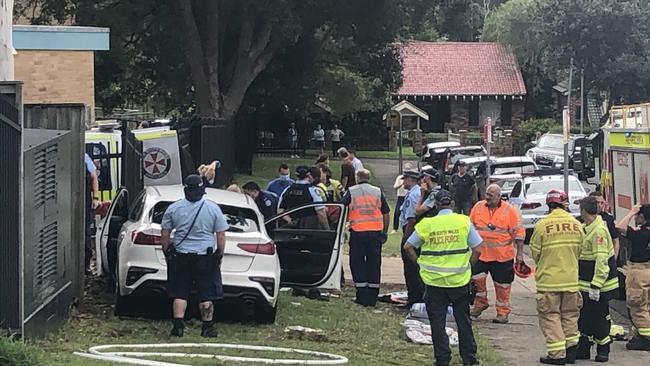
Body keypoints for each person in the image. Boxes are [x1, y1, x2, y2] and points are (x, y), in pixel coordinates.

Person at [404, 190, 482, 366]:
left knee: (437, 322)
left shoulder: (427, 224)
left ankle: (442, 359)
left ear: (436, 205)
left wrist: (420, 265)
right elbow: (478, 249)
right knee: (463, 320)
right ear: (452, 204)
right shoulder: (464, 221)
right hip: (459, 281)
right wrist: (467, 266)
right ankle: (469, 358)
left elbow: (408, 246)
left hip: (434, 282)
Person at [161, 175, 228, 338]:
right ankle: (207, 327)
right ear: (202, 191)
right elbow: (221, 235)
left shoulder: (174, 208)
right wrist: (219, 254)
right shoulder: (213, 209)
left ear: (185, 190)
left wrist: (167, 250)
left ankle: (178, 326)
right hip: (204, 258)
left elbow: (165, 233)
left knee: (179, 292)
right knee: (206, 294)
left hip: (181, 256)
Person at [530, 189, 584, 364]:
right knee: (570, 316)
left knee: (551, 317)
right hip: (571, 280)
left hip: (549, 282)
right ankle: (571, 352)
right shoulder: (576, 224)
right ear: (565, 204)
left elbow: (535, 253)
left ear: (549, 205)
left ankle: (557, 354)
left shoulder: (541, 225)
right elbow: (580, 250)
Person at [469, 184, 525, 324]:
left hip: (502, 257)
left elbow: (518, 233)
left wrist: (519, 255)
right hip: (480, 255)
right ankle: (480, 304)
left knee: (503, 286)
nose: (487, 198)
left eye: (491, 196)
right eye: (487, 194)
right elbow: (469, 227)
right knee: (476, 280)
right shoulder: (478, 207)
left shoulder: (509, 211)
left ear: (499, 196)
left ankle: (502, 313)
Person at [576, 196, 618, 362]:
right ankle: (584, 348)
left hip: (598, 285)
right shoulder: (586, 227)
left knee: (599, 317)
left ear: (584, 210)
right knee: (584, 317)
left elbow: (601, 260)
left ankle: (603, 349)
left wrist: (596, 284)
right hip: (586, 284)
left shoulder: (599, 230)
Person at [342, 169, 390, 306]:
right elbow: (386, 213)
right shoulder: (377, 191)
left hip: (358, 232)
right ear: (368, 178)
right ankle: (373, 296)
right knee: (374, 263)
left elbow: (341, 206)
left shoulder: (352, 191)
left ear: (357, 178)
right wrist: (384, 232)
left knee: (357, 263)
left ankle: (362, 294)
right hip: (375, 233)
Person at [616, 204, 650, 351]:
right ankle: (640, 335)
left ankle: (646, 338)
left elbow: (620, 227)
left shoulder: (641, 233)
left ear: (642, 217)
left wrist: (631, 212)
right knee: (647, 305)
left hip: (639, 272)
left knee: (638, 307)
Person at [399, 170, 424, 307]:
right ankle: (414, 297)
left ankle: (414, 299)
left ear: (411, 179)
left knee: (411, 269)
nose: (403, 182)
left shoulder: (414, 194)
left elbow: (411, 219)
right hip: (413, 232)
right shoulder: (414, 193)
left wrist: (406, 238)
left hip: (411, 232)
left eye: (405, 179)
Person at [278, 165, 329, 230]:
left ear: (296, 175)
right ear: (309, 175)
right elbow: (321, 214)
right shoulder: (313, 191)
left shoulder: (287, 190)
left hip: (291, 231)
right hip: (309, 230)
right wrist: (328, 230)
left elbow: (280, 211)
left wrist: (289, 219)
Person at [589, 191, 620, 258]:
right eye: (597, 202)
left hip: (605, 258)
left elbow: (615, 241)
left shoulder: (608, 219)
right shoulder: (582, 219)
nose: (600, 205)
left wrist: (614, 260)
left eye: (602, 203)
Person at [84, 153, 101, 274]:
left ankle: (86, 263)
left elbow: (94, 176)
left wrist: (95, 198)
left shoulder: (84, 157)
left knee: (86, 233)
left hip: (84, 200)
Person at [392, 162, 415, 234]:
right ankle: (395, 228)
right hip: (401, 196)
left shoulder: (412, 178)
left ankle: (407, 227)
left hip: (408, 196)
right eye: (406, 168)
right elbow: (395, 187)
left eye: (408, 169)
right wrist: (402, 183)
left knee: (409, 213)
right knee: (397, 212)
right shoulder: (400, 178)